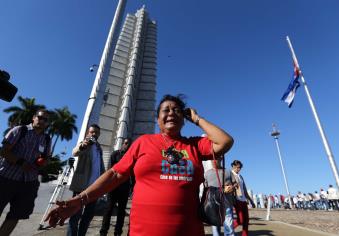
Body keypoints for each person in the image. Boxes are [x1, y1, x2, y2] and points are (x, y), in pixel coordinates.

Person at [45, 94, 234, 236]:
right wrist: (80, 200)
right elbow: (114, 175)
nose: (171, 113)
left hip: (189, 230)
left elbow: (225, 142)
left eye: (177, 110)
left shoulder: (194, 145)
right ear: (157, 118)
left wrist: (197, 119)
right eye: (166, 110)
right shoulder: (143, 142)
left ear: (183, 119)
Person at [0, 109, 51, 236]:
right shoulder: (20, 130)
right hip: (6, 178)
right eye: (40, 117)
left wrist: (43, 162)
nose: (42, 121)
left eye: (46, 120)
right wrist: (20, 162)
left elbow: (46, 158)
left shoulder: (46, 139)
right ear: (34, 118)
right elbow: (4, 151)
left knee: (16, 216)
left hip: (28, 182)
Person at [67, 124, 105, 236]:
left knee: (88, 216)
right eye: (92, 132)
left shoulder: (99, 148)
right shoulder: (85, 143)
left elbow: (100, 167)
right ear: (88, 133)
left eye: (96, 132)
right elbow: (75, 152)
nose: (94, 134)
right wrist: (83, 145)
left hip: (94, 188)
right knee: (75, 216)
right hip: (81, 186)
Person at [100, 138, 132, 236]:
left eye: (129, 144)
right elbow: (109, 170)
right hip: (113, 187)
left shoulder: (132, 157)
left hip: (125, 188)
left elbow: (133, 174)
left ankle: (118, 232)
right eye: (125, 143)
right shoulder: (115, 154)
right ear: (122, 144)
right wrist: (107, 185)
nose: (127, 145)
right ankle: (103, 232)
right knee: (108, 209)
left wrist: (132, 188)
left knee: (121, 212)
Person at [204, 159, 235, 236]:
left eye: (216, 160)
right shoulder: (207, 173)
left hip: (226, 203)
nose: (213, 162)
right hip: (213, 204)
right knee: (215, 227)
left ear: (221, 159)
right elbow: (205, 187)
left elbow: (235, 184)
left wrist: (232, 187)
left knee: (229, 227)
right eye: (212, 160)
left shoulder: (228, 172)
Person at [230, 160, 255, 236]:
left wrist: (251, 201)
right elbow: (228, 186)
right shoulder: (230, 174)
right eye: (238, 167)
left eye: (240, 167)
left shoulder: (240, 176)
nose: (239, 169)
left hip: (243, 200)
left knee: (246, 220)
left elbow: (244, 189)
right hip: (236, 199)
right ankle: (228, 229)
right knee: (240, 220)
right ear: (233, 166)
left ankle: (245, 235)